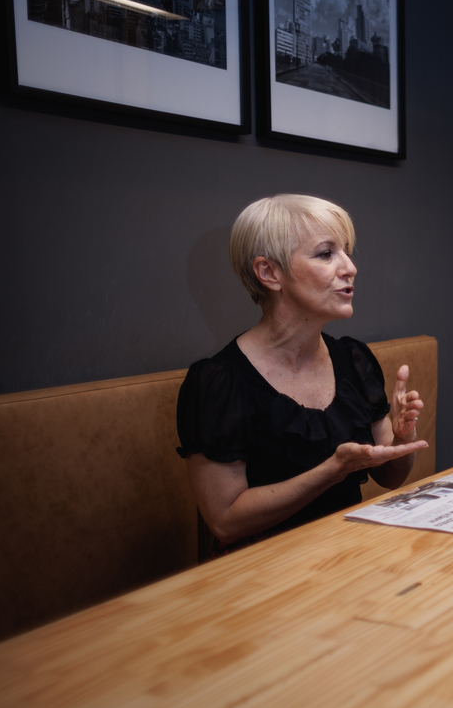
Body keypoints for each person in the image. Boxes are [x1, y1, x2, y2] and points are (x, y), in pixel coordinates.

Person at [177, 194, 427, 556]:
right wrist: (333, 469)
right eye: (326, 254)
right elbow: (225, 521)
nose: (350, 267)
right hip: (261, 574)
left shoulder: (353, 359)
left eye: (345, 251)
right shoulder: (219, 383)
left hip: (348, 553)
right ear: (269, 273)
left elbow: (390, 478)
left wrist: (401, 438)